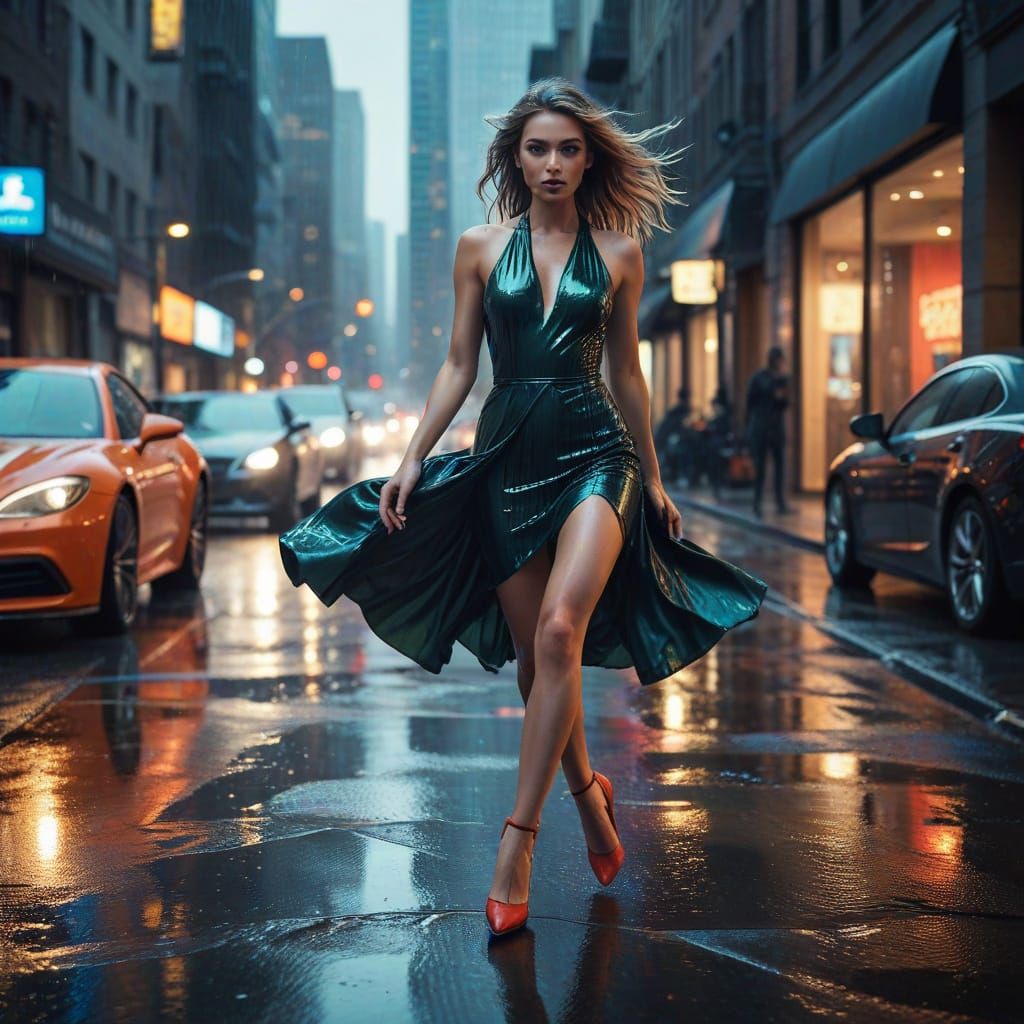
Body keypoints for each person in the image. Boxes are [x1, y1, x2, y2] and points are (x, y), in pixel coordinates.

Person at [278, 78, 767, 938]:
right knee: (540, 669)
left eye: (569, 149)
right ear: (516, 157)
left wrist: (650, 476)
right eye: (537, 148)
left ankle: (520, 839)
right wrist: (412, 457)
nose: (553, 163)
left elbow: (628, 374)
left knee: (557, 632)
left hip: (595, 452)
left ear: (588, 159)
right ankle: (587, 797)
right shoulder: (477, 246)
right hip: (505, 457)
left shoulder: (619, 251)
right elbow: (459, 364)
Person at [745, 346, 791, 517]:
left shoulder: (780, 379)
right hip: (761, 428)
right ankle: (758, 502)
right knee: (761, 466)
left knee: (778, 465)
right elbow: (750, 404)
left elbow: (784, 403)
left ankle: (779, 502)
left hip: (774, 428)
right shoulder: (760, 378)